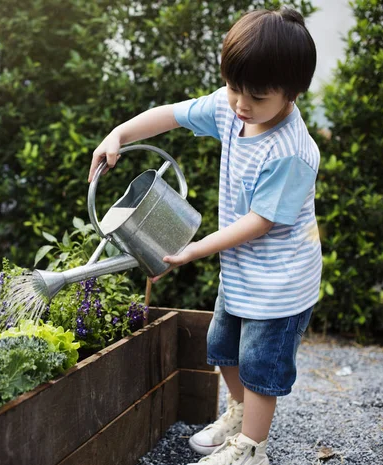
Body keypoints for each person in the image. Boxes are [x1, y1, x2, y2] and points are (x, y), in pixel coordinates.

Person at [88, 7, 320, 465]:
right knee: (223, 346)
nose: (240, 104)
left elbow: (262, 221)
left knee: (259, 368)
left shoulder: (291, 151)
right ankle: (239, 415)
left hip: (280, 284)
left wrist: (196, 247)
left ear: (292, 93)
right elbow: (171, 115)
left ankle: (253, 448)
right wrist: (119, 134)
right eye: (234, 88)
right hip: (241, 270)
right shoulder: (232, 108)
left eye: (256, 96)